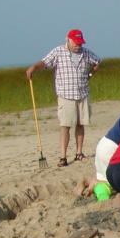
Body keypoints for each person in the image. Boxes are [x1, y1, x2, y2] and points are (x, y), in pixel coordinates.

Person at [26, 29, 101, 167]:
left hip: (82, 93)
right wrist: (33, 68)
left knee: (80, 123)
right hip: (66, 95)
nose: (78, 45)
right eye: (76, 43)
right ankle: (63, 157)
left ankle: (79, 153)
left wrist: (90, 75)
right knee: (65, 125)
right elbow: (44, 62)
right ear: (68, 40)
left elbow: (97, 62)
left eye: (80, 43)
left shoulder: (86, 53)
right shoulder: (58, 52)